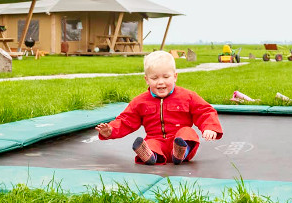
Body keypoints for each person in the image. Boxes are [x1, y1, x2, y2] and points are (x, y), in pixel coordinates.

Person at [95, 50, 223, 165]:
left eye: (166, 77)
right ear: (146, 79)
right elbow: (126, 120)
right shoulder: (140, 101)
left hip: (179, 139)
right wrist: (110, 130)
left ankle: (180, 153)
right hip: (156, 140)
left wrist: (210, 127)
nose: (160, 82)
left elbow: (204, 111)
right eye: (154, 78)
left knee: (188, 133)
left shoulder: (187, 96)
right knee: (150, 143)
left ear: (175, 77)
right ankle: (152, 156)